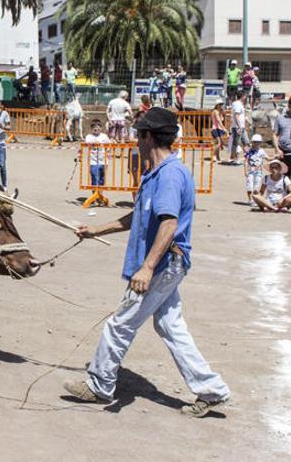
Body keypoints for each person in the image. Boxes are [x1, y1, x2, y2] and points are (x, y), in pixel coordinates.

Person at [64, 107, 231, 418]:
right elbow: (139, 215)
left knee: (120, 324)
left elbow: (168, 224)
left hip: (163, 264)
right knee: (170, 325)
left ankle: (99, 385)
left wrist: (147, 267)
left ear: (150, 137)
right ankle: (212, 390)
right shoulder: (155, 173)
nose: (135, 140)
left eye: (139, 134)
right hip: (166, 264)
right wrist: (96, 230)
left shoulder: (169, 175)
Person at [84, 119, 111, 198]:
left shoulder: (104, 136)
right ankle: (94, 196)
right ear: (91, 129)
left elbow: (109, 145)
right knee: (94, 178)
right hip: (93, 161)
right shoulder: (89, 137)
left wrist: (108, 151)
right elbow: (87, 143)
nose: (96, 129)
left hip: (103, 161)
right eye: (94, 128)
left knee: (102, 179)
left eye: (98, 127)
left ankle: (100, 196)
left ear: (101, 128)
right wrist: (94, 143)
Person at [244, 134, 269, 206]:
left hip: (259, 172)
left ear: (261, 143)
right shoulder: (249, 151)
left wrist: (275, 157)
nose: (257, 144)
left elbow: (267, 158)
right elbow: (246, 161)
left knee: (256, 186)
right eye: (255, 142)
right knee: (250, 186)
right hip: (250, 171)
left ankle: (255, 199)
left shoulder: (261, 151)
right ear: (252, 142)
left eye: (258, 142)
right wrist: (245, 170)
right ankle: (250, 200)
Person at [229, 90, 248, 164]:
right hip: (238, 127)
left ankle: (248, 158)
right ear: (243, 96)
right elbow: (236, 116)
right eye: (245, 96)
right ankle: (235, 159)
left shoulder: (239, 104)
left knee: (246, 142)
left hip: (241, 127)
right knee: (237, 143)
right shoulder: (237, 104)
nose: (246, 97)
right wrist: (239, 127)